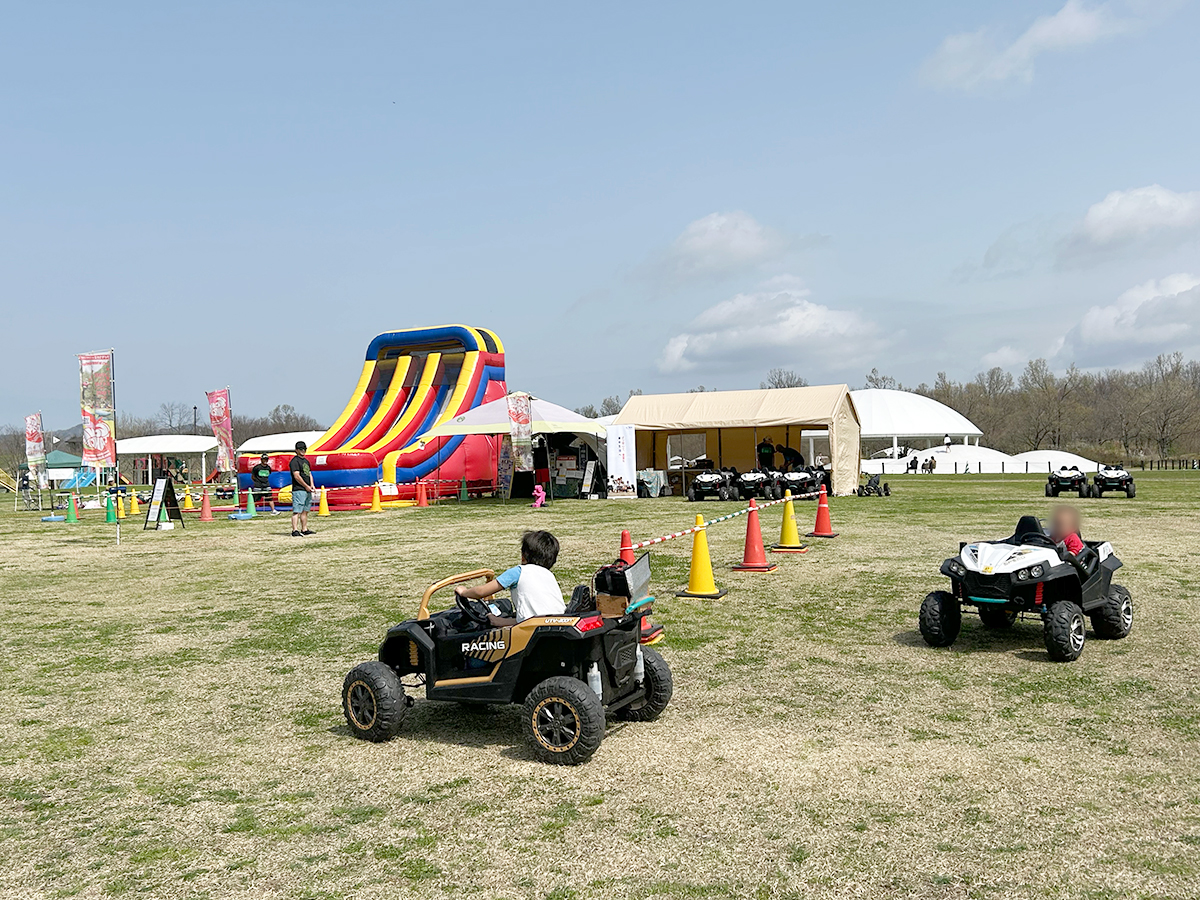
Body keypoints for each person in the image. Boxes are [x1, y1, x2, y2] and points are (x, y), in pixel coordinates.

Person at [454, 530, 565, 626]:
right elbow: (533, 617)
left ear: (523, 557)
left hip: (531, 630)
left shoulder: (519, 572)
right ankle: (497, 621)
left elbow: (481, 592)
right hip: (555, 623)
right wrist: (498, 621)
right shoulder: (549, 576)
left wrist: (464, 592)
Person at [289, 441, 318, 536]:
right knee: (297, 511)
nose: (303, 451)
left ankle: (304, 529)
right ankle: (294, 530)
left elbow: (309, 473)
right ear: (296, 450)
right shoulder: (294, 461)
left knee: (305, 511)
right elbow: (296, 476)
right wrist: (306, 486)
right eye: (301, 449)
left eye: (304, 449)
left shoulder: (306, 461)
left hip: (307, 489)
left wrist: (312, 485)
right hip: (299, 489)